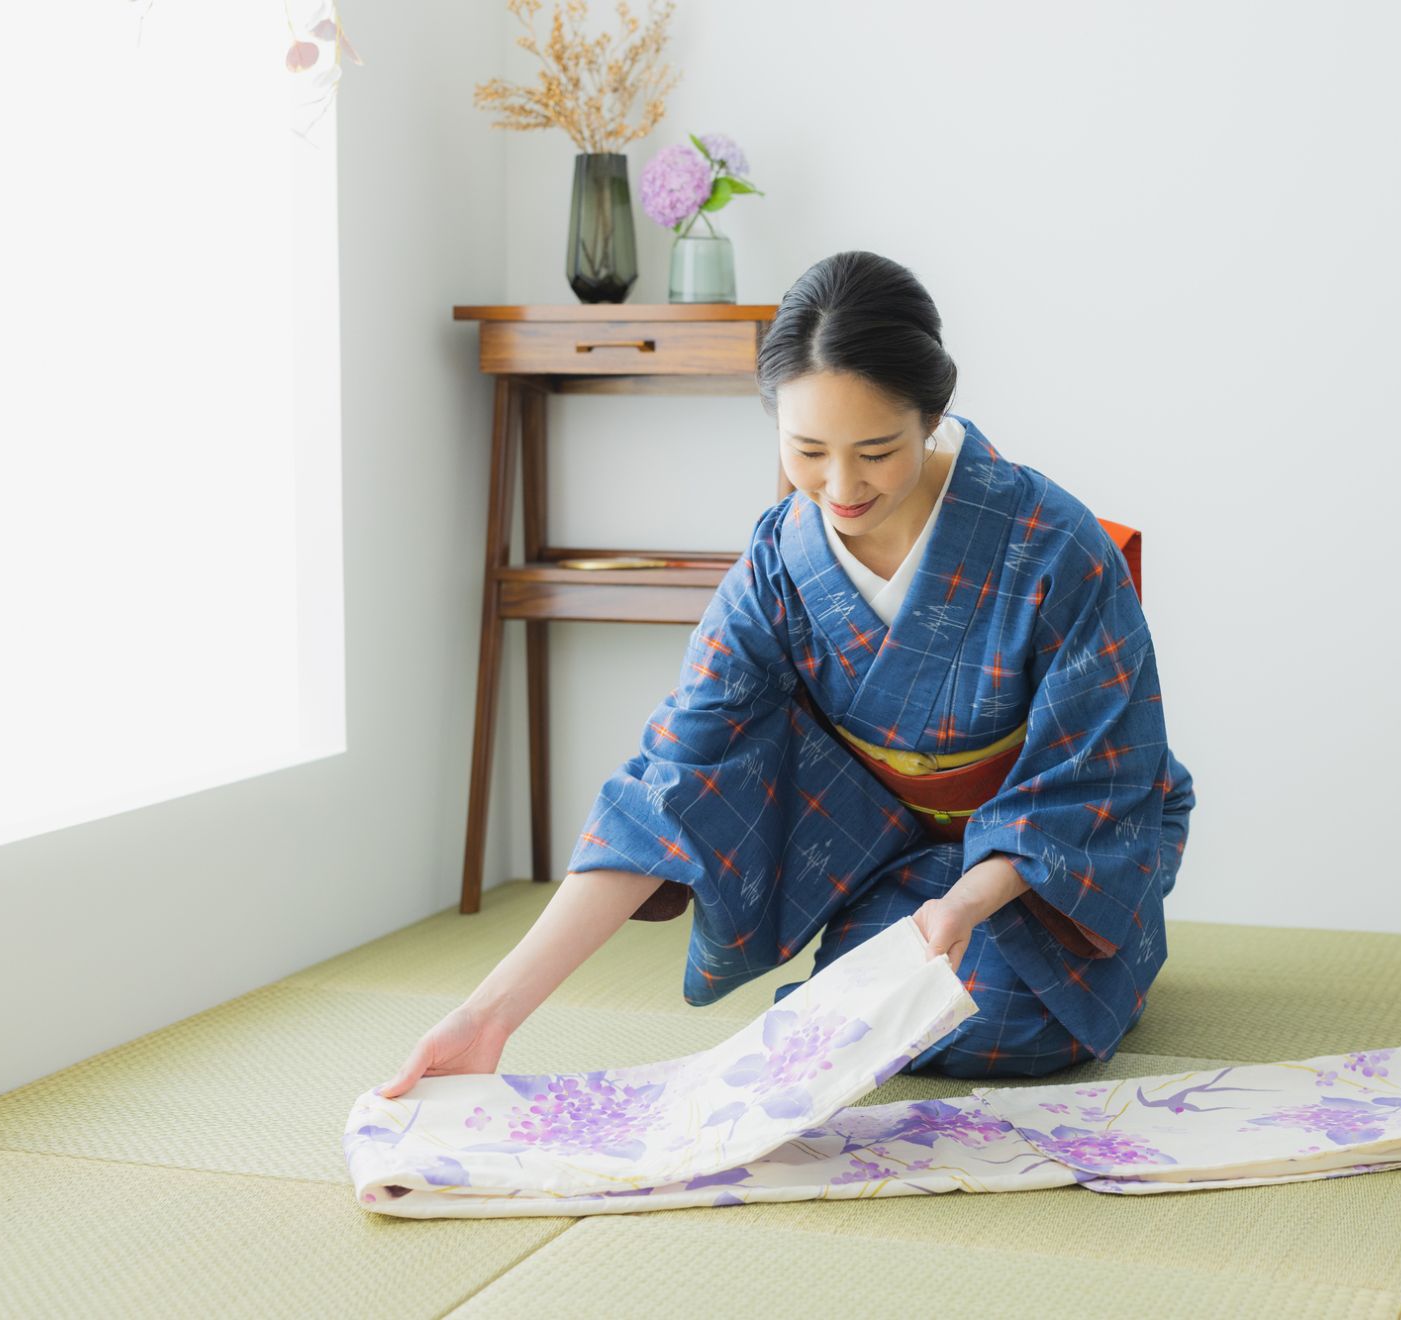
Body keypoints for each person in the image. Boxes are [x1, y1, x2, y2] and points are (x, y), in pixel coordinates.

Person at [379, 250, 1196, 1098]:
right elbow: (672, 784)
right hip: (900, 862)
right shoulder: (778, 566)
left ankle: (1091, 950)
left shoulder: (1054, 546)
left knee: (1004, 1027)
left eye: (876, 451)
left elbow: (1094, 776)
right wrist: (490, 1014)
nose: (840, 487)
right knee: (869, 1014)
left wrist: (964, 907)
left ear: (929, 412)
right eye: (807, 450)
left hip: (1048, 867)